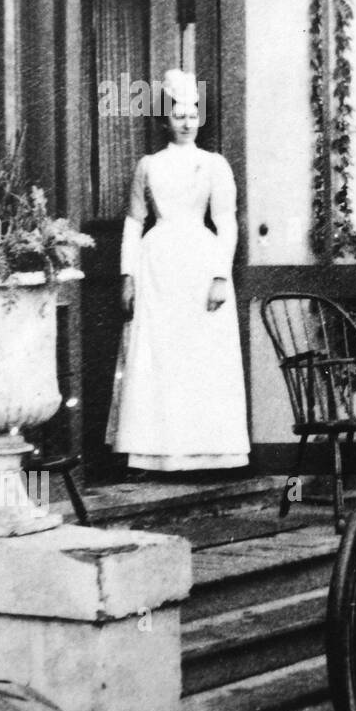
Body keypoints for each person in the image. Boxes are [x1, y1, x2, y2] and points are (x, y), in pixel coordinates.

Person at [106, 68, 250, 471]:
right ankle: (155, 451)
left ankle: (209, 452)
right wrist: (128, 275)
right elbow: (135, 222)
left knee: (200, 356)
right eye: (178, 113)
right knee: (159, 354)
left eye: (192, 113)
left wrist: (222, 275)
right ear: (164, 119)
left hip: (201, 265)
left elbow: (226, 221)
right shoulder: (148, 165)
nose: (187, 121)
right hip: (157, 267)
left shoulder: (214, 164)